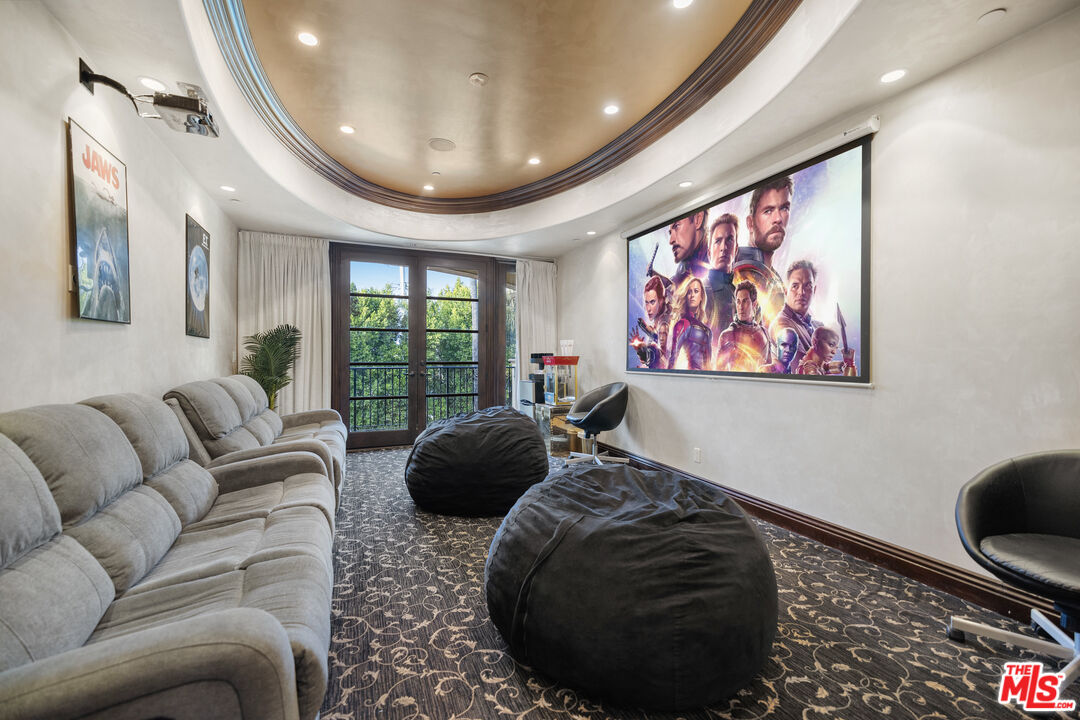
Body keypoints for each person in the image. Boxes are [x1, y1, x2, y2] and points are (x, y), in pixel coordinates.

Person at [732, 176, 792, 325]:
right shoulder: (740, 272)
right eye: (768, 211)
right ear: (750, 223)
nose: (778, 218)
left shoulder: (773, 277)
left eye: (784, 208)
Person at [769, 259, 822, 364]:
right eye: (795, 286)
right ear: (786, 291)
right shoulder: (781, 324)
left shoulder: (817, 326)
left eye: (807, 286)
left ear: (814, 290)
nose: (801, 292)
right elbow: (800, 366)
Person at [716, 281, 771, 372]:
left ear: (754, 304)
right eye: (738, 302)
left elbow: (769, 371)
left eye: (745, 301)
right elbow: (717, 375)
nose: (741, 307)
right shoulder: (727, 335)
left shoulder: (764, 333)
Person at [668, 277, 712, 371]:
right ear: (686, 296)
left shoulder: (706, 330)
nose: (692, 295)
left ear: (701, 297)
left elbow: (708, 365)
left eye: (696, 291)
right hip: (688, 377)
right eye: (689, 292)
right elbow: (673, 357)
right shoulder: (682, 324)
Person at [705, 214, 738, 332]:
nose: (724, 247)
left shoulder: (739, 293)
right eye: (718, 241)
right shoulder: (700, 292)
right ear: (709, 253)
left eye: (729, 240)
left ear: (736, 249)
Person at [629, 275, 671, 369]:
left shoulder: (664, 324)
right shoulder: (658, 321)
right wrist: (641, 350)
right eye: (646, 302)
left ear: (661, 301)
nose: (648, 309)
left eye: (652, 302)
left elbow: (665, 360)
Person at [663, 211, 709, 287]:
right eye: (670, 233)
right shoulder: (684, 265)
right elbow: (673, 287)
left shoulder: (717, 252)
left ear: (698, 220)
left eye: (677, 226)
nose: (671, 241)